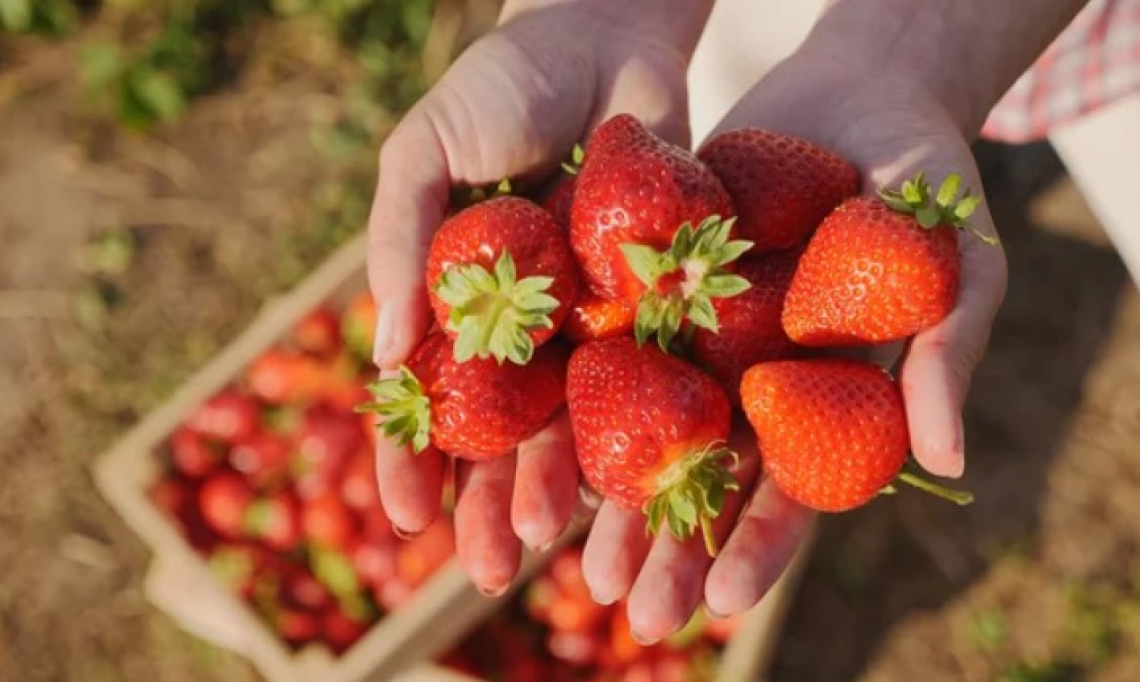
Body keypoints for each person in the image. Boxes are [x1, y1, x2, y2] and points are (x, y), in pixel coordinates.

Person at [365, 0, 1102, 645]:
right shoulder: (678, 229)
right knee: (715, 120)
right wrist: (598, 14)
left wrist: (917, 48)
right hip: (722, 40)